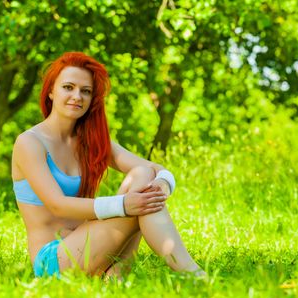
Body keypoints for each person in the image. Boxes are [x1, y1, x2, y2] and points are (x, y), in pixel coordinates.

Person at [12, 52, 204, 278]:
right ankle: (195, 275)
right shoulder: (29, 142)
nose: (77, 96)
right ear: (51, 91)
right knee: (138, 201)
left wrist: (162, 185)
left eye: (86, 91)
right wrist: (125, 205)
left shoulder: (90, 141)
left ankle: (117, 275)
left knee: (142, 174)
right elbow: (57, 204)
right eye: (68, 87)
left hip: (90, 245)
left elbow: (154, 168)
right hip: (54, 261)